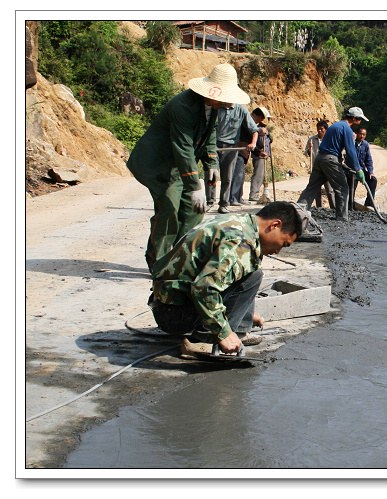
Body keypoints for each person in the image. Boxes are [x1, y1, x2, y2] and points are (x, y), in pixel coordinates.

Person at [126, 63, 250, 272]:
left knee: (194, 211)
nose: (229, 102)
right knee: (169, 209)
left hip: (180, 165)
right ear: (213, 92)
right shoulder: (182, 106)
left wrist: (211, 163)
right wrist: (194, 186)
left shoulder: (215, 108)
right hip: (159, 164)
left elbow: (211, 136)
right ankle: (159, 262)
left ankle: (180, 258)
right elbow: (183, 147)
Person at [149, 201, 308, 356]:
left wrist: (244, 310)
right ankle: (204, 341)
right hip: (174, 315)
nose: (278, 251)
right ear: (274, 225)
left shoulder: (239, 223)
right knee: (253, 275)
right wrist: (223, 333)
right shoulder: (240, 241)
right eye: (284, 243)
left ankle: (238, 330)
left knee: (251, 271)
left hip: (167, 305)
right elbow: (204, 288)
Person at [297, 107, 369, 221]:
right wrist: (358, 169)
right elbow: (351, 151)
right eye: (360, 119)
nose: (360, 122)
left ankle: (298, 212)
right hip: (330, 160)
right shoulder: (347, 129)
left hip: (320, 158)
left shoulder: (335, 126)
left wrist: (339, 158)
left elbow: (332, 144)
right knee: (342, 188)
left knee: (312, 187)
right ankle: (342, 218)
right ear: (354, 118)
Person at [211, 84, 259, 214]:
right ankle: (209, 201)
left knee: (227, 177)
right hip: (214, 145)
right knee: (212, 174)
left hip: (232, 147)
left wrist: (253, 143)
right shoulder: (216, 107)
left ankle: (223, 204)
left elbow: (254, 130)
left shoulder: (241, 110)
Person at [304, 120, 335, 209]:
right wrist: (309, 149)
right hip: (316, 168)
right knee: (317, 190)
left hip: (327, 168)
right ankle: (319, 207)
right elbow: (307, 154)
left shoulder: (330, 139)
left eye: (321, 129)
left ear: (326, 130)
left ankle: (333, 208)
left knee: (329, 190)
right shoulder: (312, 139)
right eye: (318, 129)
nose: (319, 131)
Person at [248, 107, 273, 203]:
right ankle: (253, 194)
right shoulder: (256, 127)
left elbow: (268, 140)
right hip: (259, 154)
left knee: (262, 175)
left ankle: (259, 193)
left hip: (265, 154)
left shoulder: (265, 128)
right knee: (258, 175)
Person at [350, 127, 377, 209]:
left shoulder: (365, 144)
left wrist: (370, 172)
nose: (361, 136)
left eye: (363, 134)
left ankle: (369, 203)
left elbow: (368, 160)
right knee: (352, 185)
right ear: (357, 134)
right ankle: (350, 206)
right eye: (360, 134)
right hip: (351, 171)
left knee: (373, 180)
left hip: (361, 170)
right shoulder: (351, 143)